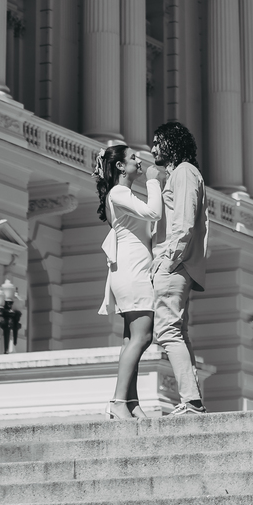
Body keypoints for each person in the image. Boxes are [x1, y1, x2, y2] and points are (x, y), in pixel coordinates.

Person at [94, 144, 163, 419]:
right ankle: (118, 401)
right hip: (133, 272)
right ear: (120, 166)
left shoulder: (123, 193)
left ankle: (131, 402)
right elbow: (154, 213)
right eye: (133, 157)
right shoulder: (119, 192)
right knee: (142, 336)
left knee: (131, 339)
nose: (140, 160)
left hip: (131, 270)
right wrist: (154, 181)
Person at [150, 120, 208, 415]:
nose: (152, 150)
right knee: (178, 332)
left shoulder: (184, 172)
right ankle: (193, 400)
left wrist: (168, 260)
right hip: (178, 263)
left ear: (171, 143)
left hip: (175, 263)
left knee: (167, 331)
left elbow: (184, 222)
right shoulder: (181, 174)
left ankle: (191, 400)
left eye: (157, 143)